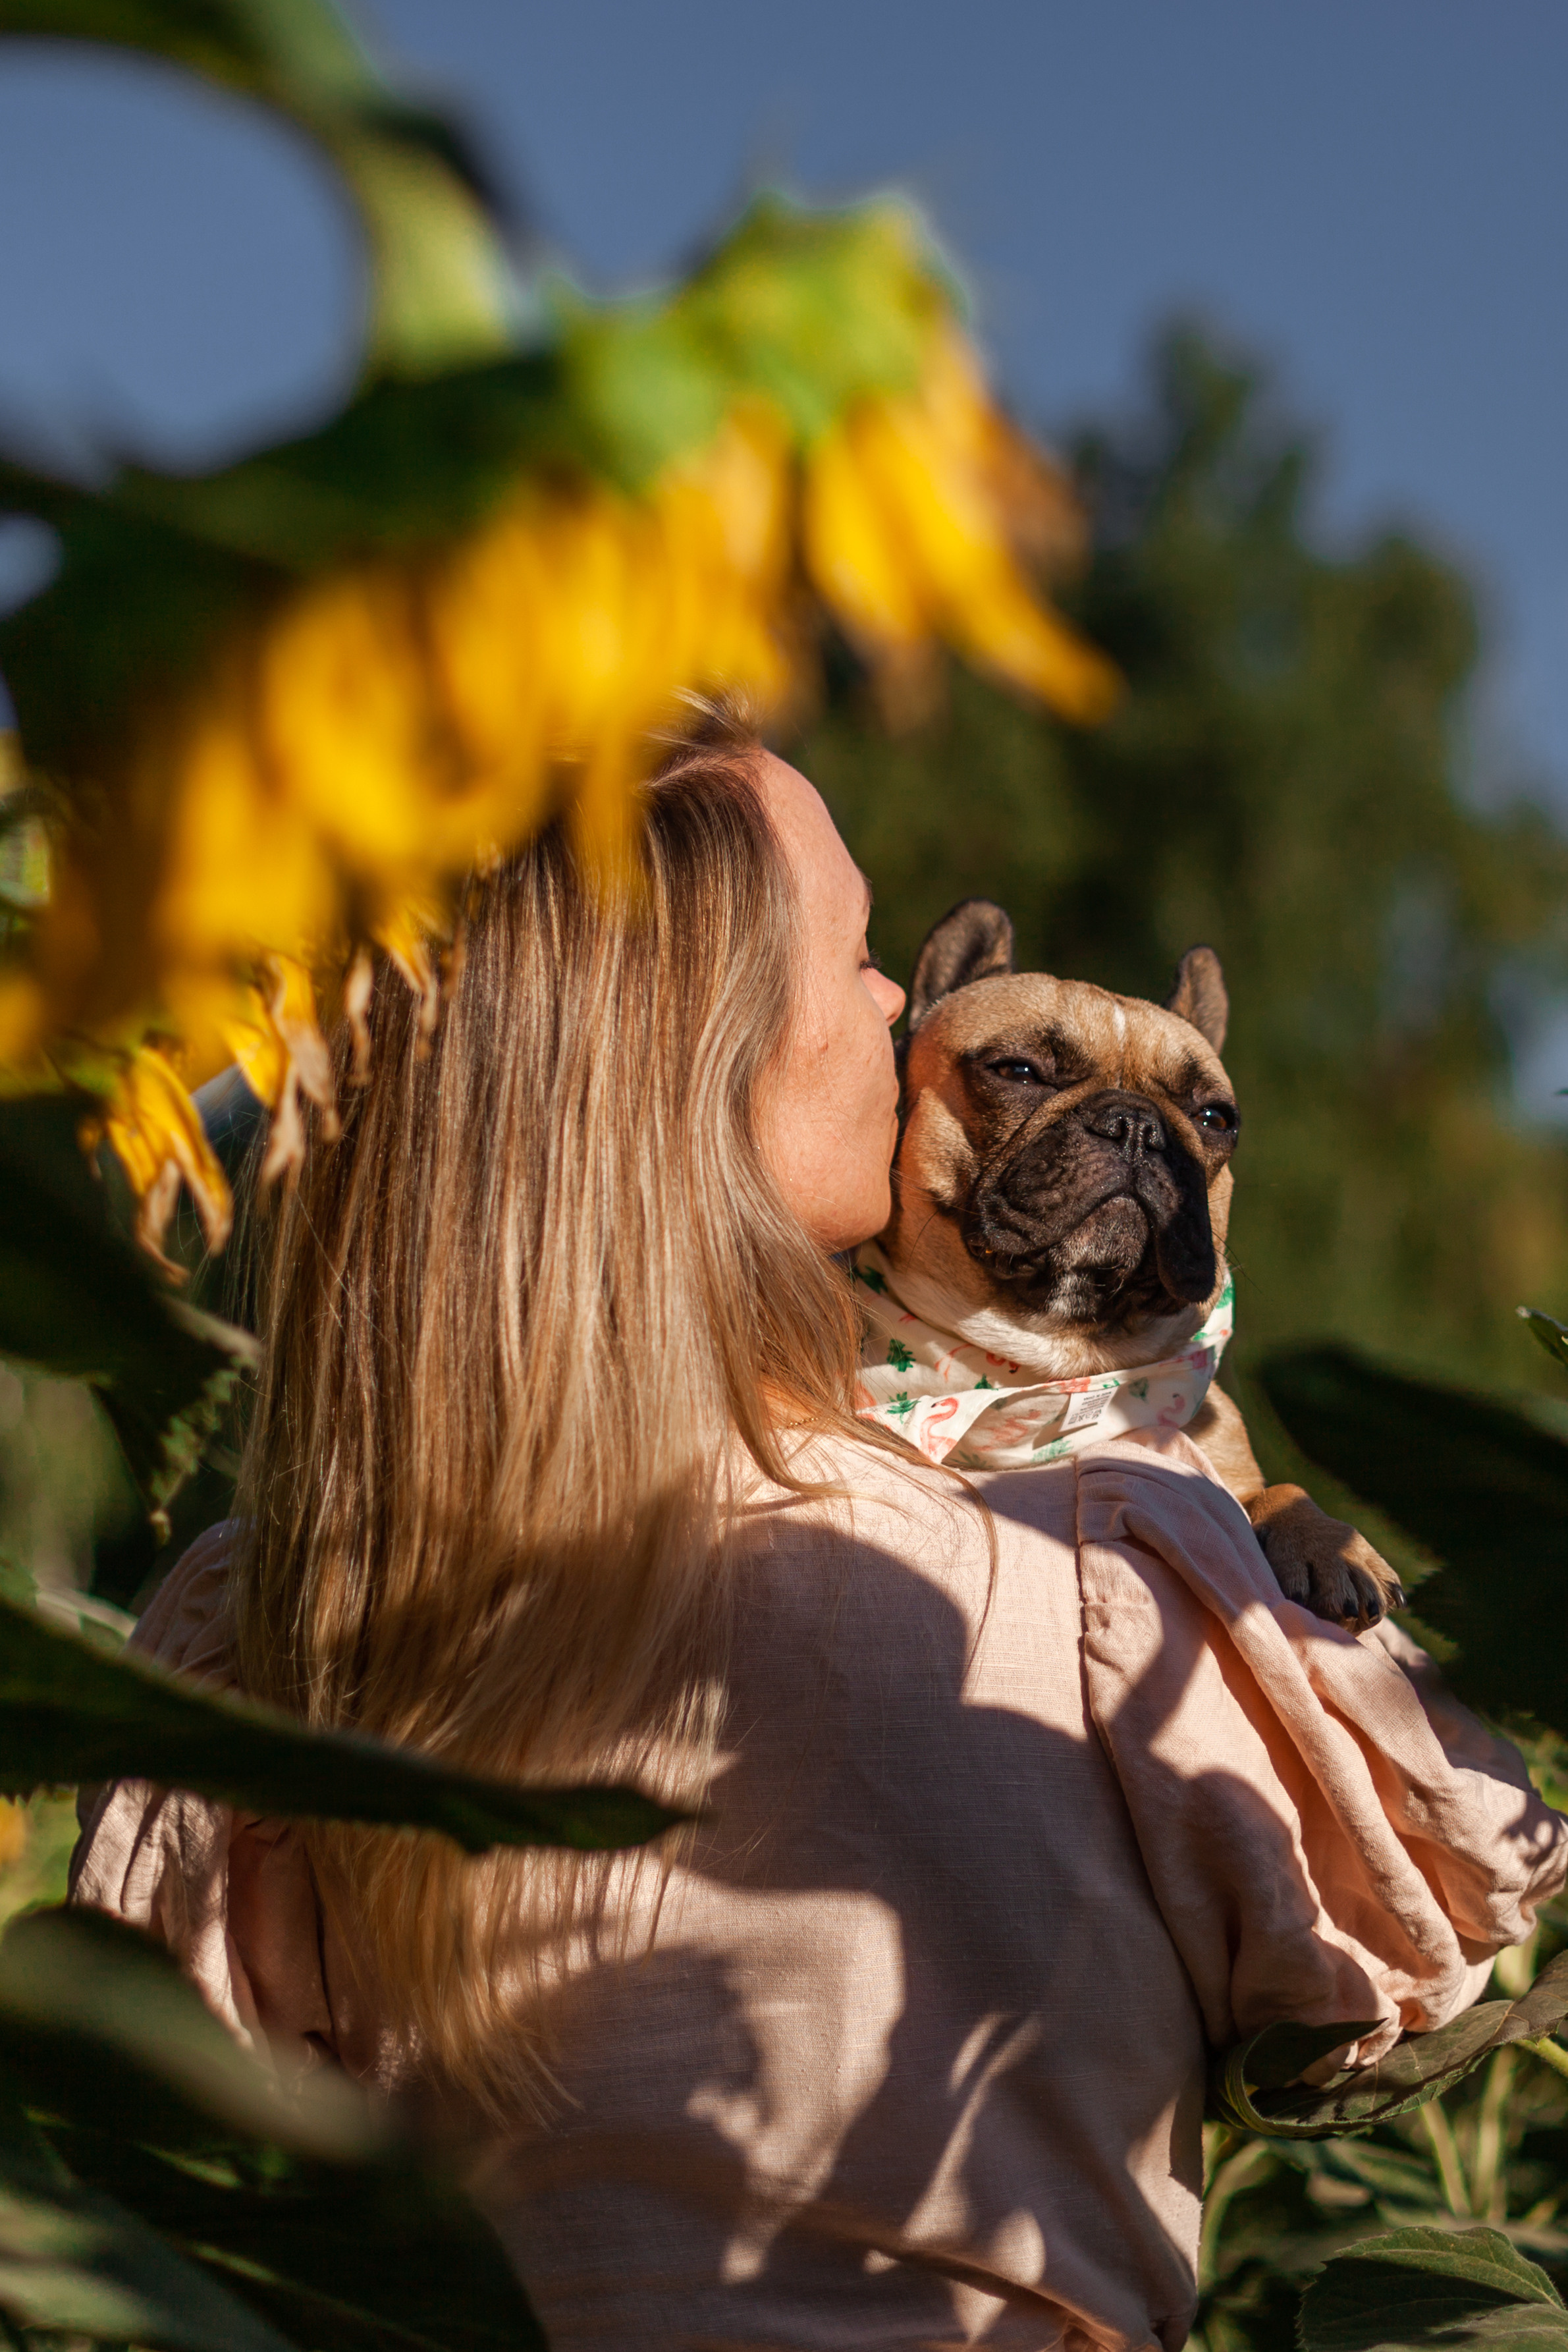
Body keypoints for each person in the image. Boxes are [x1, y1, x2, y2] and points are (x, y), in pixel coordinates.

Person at [74, 708, 1565, 2352]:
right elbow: (1441, 1909)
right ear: (687, 1046)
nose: (887, 1001)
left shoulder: (258, 1622)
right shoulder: (1094, 1591)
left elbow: (164, 2202)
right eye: (860, 954)